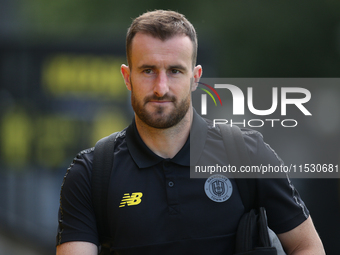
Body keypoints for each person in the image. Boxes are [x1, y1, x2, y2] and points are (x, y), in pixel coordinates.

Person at [56, 10, 325, 255]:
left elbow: (307, 246)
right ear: (127, 77)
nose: (161, 88)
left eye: (175, 71)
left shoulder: (247, 152)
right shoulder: (92, 172)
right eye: (148, 70)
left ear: (195, 78)